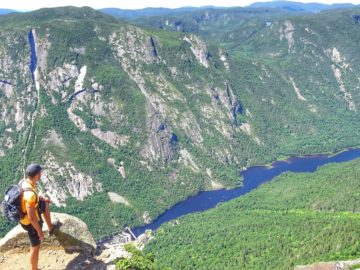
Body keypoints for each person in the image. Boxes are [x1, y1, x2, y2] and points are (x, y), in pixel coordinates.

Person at [19, 163, 57, 270]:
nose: (41, 174)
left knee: (44, 204)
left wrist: (42, 200)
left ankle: (50, 227)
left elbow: (32, 194)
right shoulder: (30, 196)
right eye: (40, 172)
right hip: (29, 223)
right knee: (35, 246)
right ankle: (34, 268)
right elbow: (32, 218)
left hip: (28, 212)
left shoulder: (24, 183)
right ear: (36, 175)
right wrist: (39, 231)